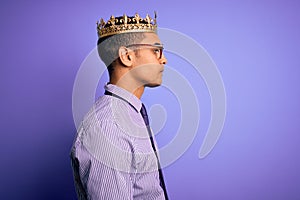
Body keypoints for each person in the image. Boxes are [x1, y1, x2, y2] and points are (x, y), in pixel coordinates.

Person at [70, 12, 169, 200]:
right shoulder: (109, 127)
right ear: (127, 56)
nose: (163, 60)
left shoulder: (131, 115)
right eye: (156, 50)